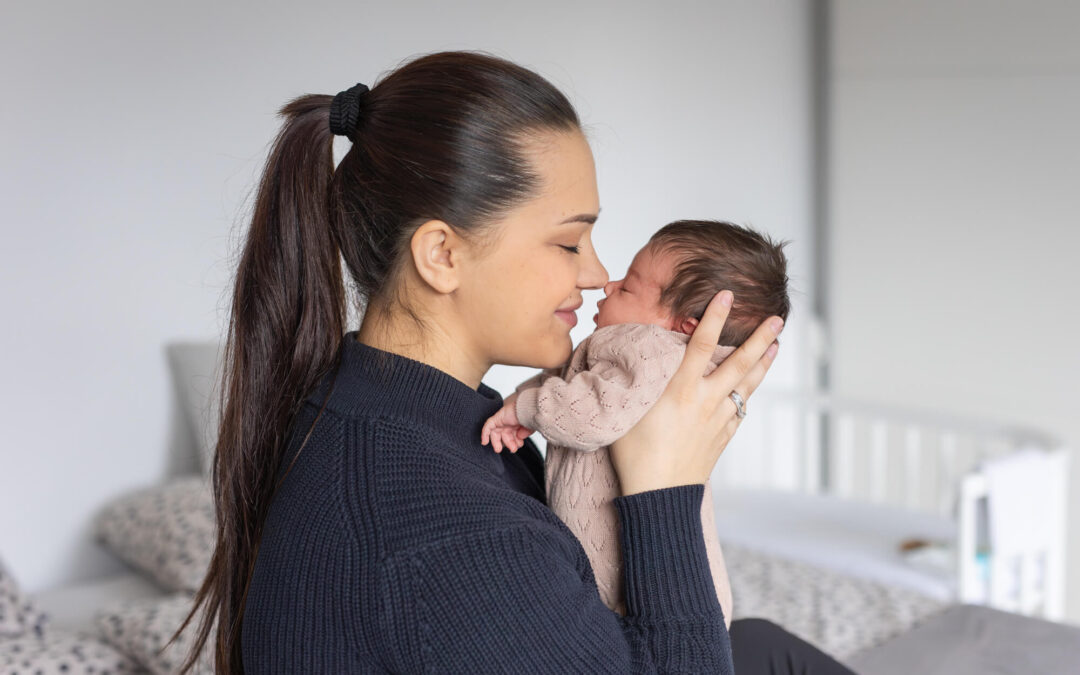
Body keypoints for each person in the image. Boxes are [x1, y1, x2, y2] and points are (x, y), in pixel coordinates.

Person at [174, 50, 853, 674]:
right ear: (442, 254)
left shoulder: (376, 405)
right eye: (568, 243)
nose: (597, 273)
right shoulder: (451, 534)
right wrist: (668, 484)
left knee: (763, 644)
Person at [480, 219, 791, 625]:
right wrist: (528, 401)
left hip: (643, 585)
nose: (608, 286)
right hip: (665, 576)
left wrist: (524, 407)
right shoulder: (646, 359)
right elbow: (578, 383)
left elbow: (594, 415)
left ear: (685, 328)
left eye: (627, 288)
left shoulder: (649, 348)